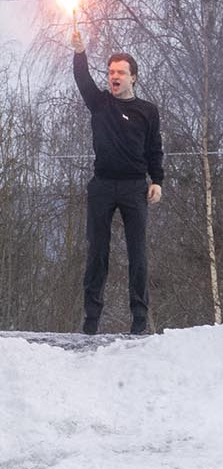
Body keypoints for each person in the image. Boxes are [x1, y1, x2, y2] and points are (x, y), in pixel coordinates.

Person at [71, 33, 163, 335]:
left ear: (133, 77)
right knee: (97, 251)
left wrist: (157, 181)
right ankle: (91, 321)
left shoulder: (148, 111)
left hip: (135, 187)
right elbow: (82, 79)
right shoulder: (99, 104)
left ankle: (139, 320)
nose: (114, 76)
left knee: (138, 253)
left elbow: (154, 149)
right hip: (102, 185)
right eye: (111, 72)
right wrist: (80, 52)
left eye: (121, 72)